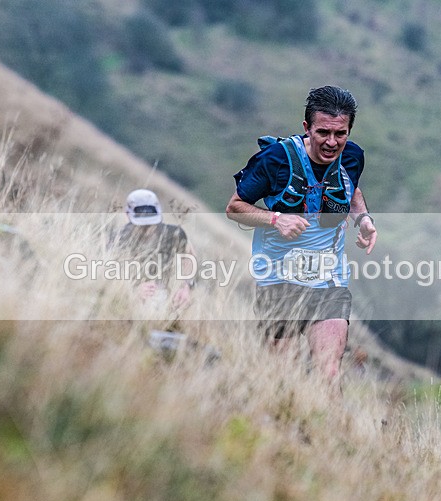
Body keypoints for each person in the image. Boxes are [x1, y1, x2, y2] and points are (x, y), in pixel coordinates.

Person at [226, 85, 377, 391]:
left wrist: (363, 220)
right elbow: (235, 207)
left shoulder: (352, 157)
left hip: (329, 281)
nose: (332, 142)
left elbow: (352, 190)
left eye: (341, 133)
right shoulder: (275, 160)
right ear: (307, 127)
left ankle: (329, 421)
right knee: (280, 374)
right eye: (323, 132)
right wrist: (275, 219)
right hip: (278, 280)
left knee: (329, 372)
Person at [117, 188, 196, 309]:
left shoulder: (174, 234)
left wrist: (186, 286)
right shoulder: (119, 240)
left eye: (151, 224)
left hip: (164, 297)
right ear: (127, 215)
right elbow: (108, 276)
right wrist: (132, 291)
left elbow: (189, 256)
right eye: (141, 225)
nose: (146, 229)